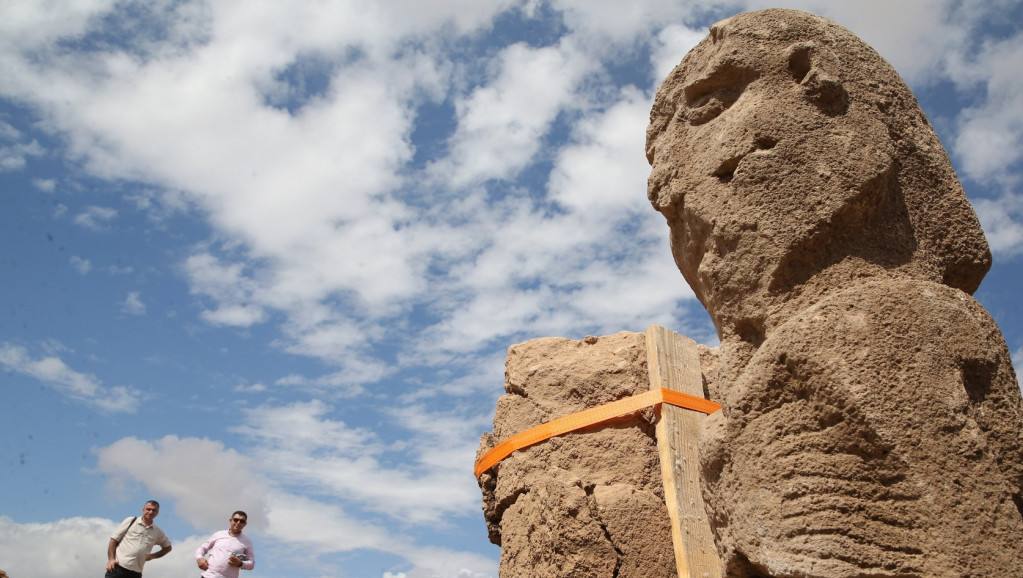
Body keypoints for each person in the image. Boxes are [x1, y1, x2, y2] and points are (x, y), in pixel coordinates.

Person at [105, 500, 172, 578]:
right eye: (148, 509)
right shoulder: (131, 521)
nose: (150, 512)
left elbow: (168, 548)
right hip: (118, 568)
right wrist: (111, 560)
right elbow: (114, 540)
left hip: (136, 573)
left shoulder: (157, 532)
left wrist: (152, 556)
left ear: (157, 513)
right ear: (143, 510)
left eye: (154, 510)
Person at [195, 511, 255, 577]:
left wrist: (240, 563)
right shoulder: (219, 534)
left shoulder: (247, 542)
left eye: (241, 521)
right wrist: (199, 558)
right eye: (236, 520)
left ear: (245, 524)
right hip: (209, 576)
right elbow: (203, 548)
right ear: (230, 520)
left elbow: (251, 564)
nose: (238, 523)